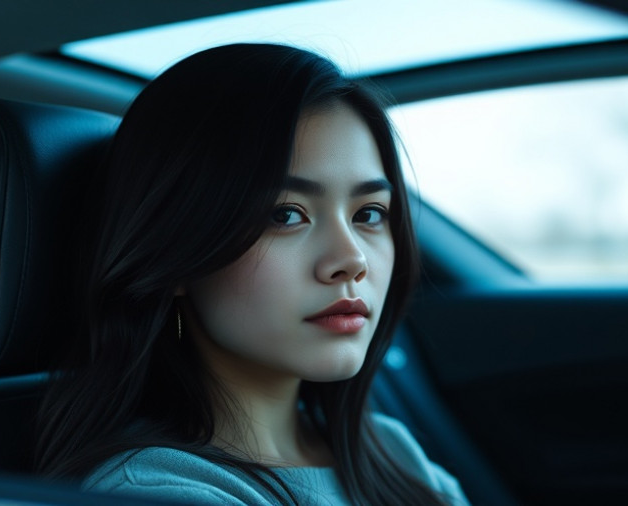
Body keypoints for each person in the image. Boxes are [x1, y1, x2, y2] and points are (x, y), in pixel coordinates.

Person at [35, 43, 468, 506]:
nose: (352, 259)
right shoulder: (161, 492)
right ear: (175, 253)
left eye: (368, 214)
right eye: (285, 215)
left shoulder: (391, 450)